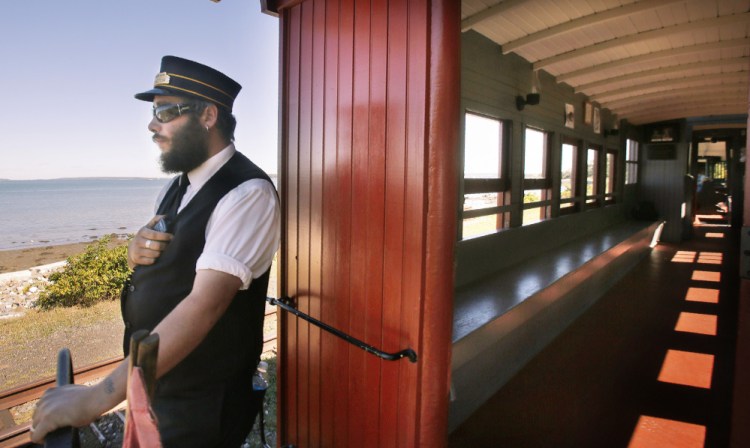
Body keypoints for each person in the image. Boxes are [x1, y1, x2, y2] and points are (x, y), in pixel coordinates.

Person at [31, 56, 280, 447]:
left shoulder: (248, 194)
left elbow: (205, 306)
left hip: (201, 405)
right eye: (153, 113)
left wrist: (96, 397)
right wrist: (134, 253)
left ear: (208, 115)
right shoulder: (174, 188)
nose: (152, 124)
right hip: (154, 388)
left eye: (165, 111)